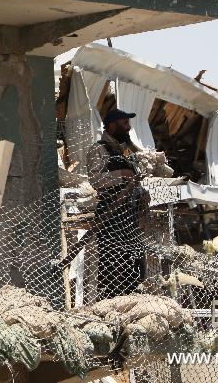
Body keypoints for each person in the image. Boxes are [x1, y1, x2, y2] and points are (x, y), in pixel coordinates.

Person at [86, 108, 149, 300]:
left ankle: (132, 299)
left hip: (130, 212)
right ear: (112, 125)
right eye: (124, 123)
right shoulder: (98, 148)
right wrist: (121, 175)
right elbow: (95, 180)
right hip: (111, 212)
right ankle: (112, 302)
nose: (128, 127)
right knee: (113, 261)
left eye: (128, 123)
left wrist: (142, 193)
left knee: (135, 260)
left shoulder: (126, 149)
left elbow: (135, 178)